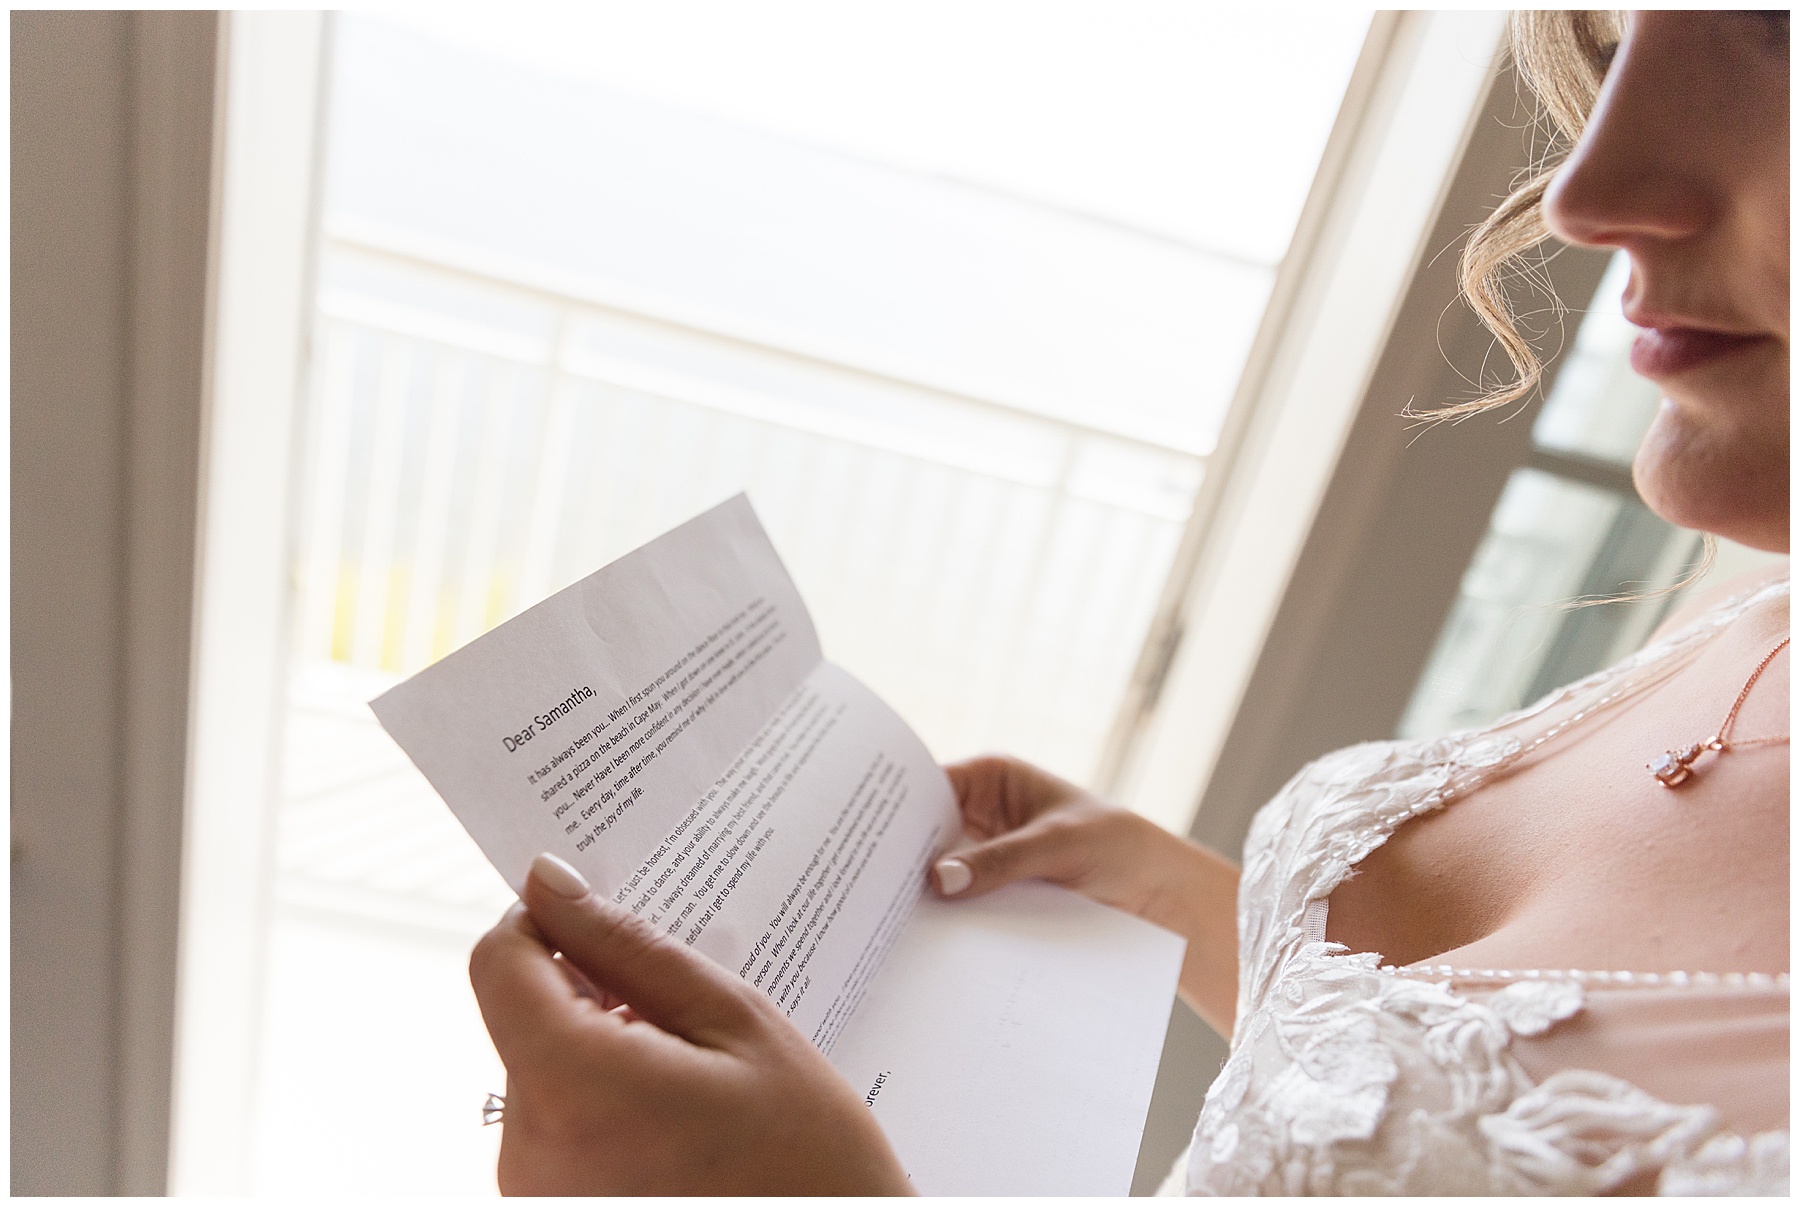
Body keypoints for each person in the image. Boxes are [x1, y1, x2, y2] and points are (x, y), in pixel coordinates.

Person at [467, 10, 1789, 1195]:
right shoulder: (1746, 609)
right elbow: (1468, 1073)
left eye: (1778, 39)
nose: (1585, 193)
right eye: (1614, 46)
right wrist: (1160, 888)